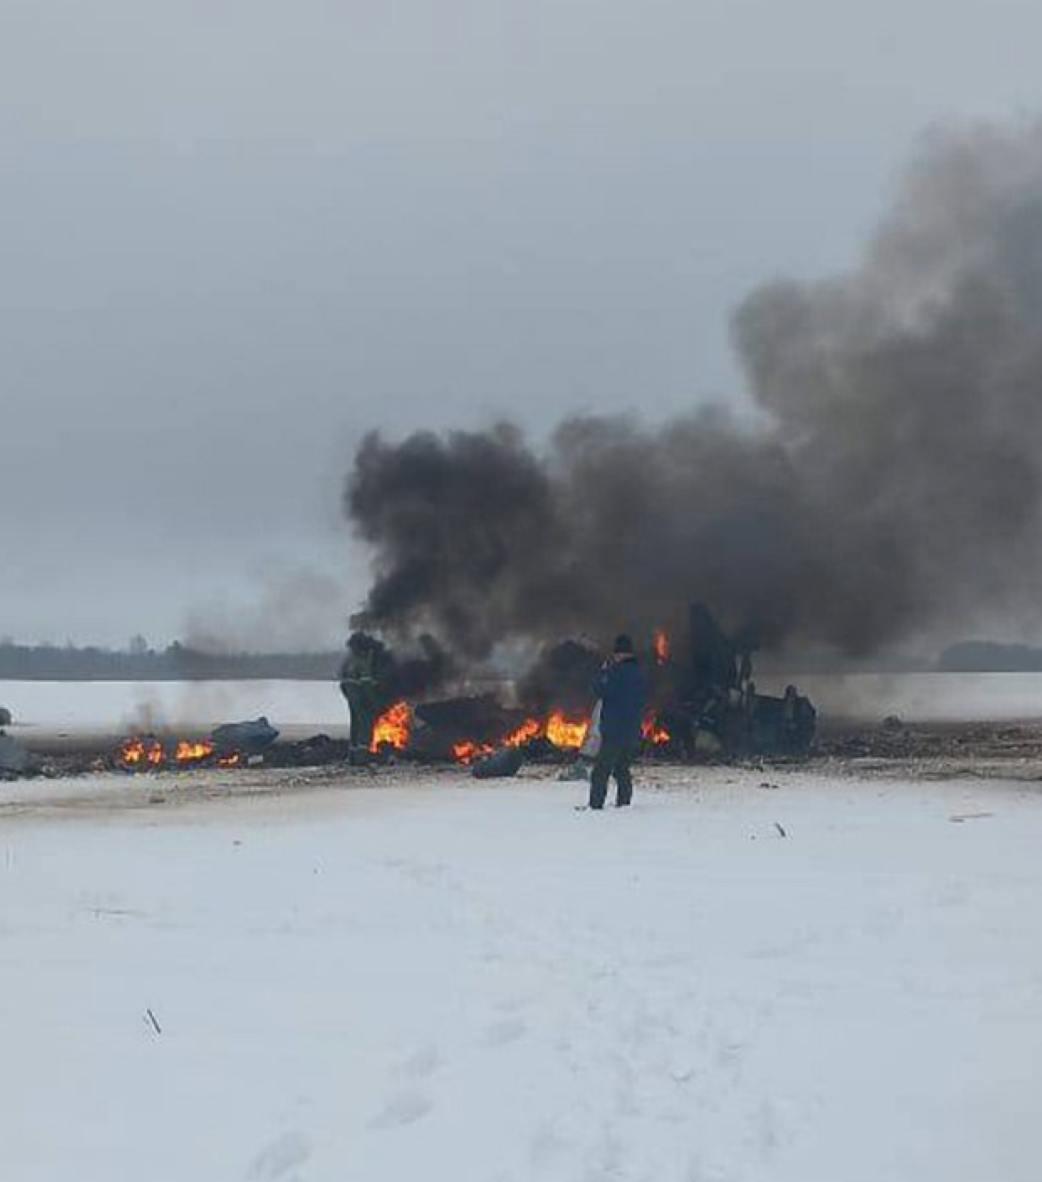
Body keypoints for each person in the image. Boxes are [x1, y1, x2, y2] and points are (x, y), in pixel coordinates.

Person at [588, 633, 648, 809]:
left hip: (614, 731)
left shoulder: (614, 672)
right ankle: (624, 804)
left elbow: (599, 689)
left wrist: (604, 671)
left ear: (619, 654)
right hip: (633, 730)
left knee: (601, 770)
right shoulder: (639, 674)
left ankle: (595, 805)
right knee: (622, 769)